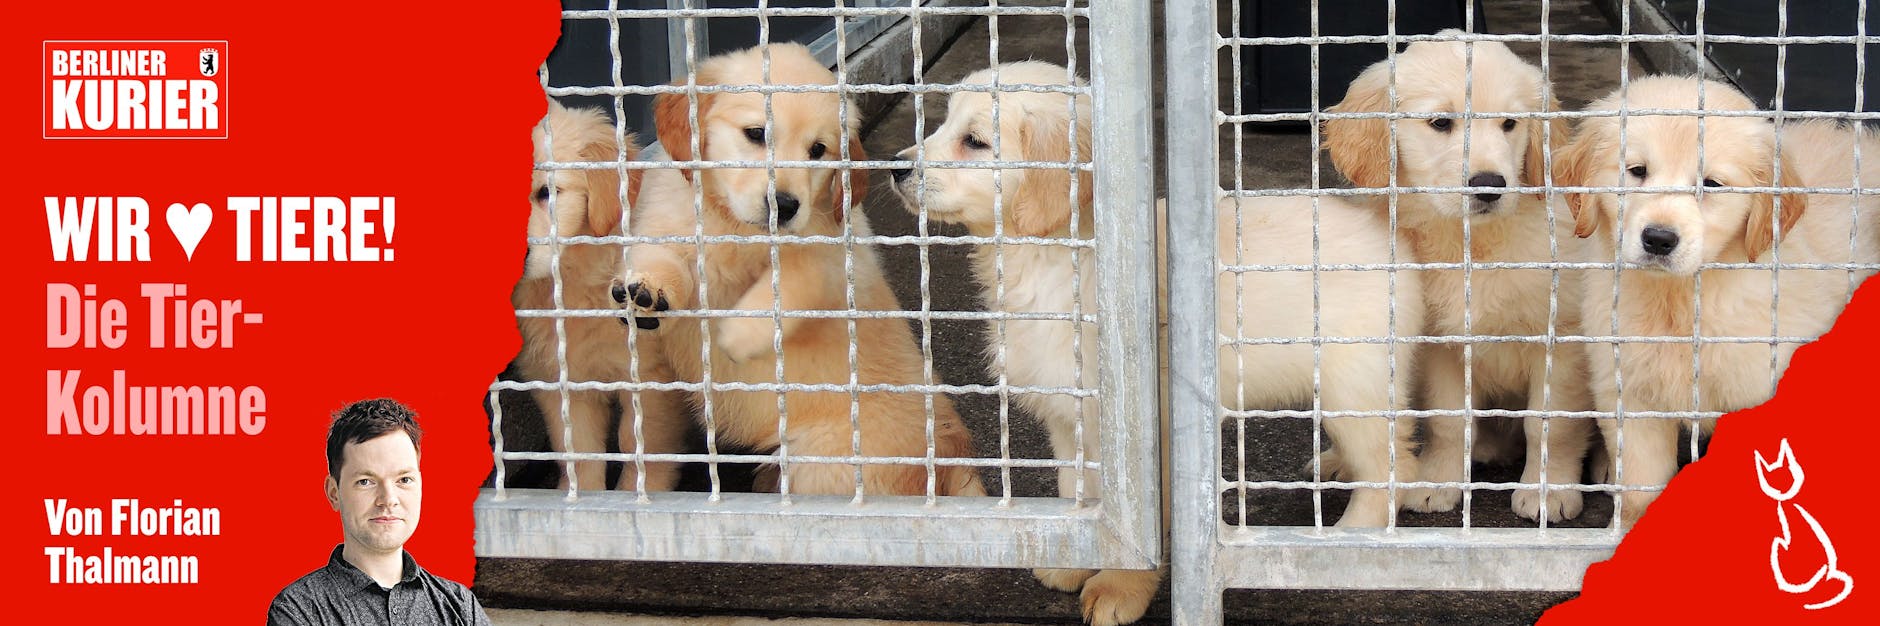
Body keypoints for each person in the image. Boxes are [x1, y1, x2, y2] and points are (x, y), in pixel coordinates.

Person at [268, 399, 489, 626]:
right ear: (334, 493)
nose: (388, 500)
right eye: (366, 481)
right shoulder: (298, 610)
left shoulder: (460, 605)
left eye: (404, 480)